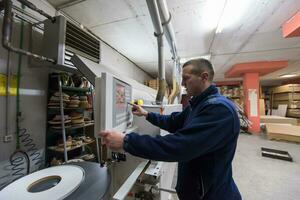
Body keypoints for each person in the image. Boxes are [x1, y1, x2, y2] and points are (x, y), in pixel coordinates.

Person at [99, 58, 241, 200]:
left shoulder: (219, 110)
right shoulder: (197, 104)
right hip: (196, 191)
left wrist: (126, 141)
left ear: (204, 77)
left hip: (212, 195)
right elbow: (174, 121)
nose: (182, 84)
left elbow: (181, 146)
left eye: (186, 78)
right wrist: (147, 114)